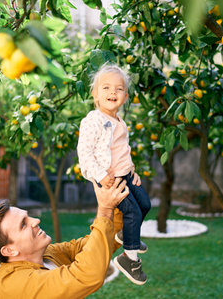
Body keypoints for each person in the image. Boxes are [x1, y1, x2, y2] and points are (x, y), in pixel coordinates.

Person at [0, 178, 128, 299]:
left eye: (28, 217)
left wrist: (118, 197)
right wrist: (105, 208)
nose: (36, 221)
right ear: (9, 250)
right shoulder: (11, 285)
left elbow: (92, 246)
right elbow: (87, 275)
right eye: (23, 225)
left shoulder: (48, 255)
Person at [77, 64, 151, 285]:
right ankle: (129, 260)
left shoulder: (121, 122)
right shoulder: (93, 120)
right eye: (106, 87)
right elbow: (85, 152)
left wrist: (132, 170)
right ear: (95, 94)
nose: (112, 93)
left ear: (125, 97)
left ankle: (126, 236)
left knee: (145, 205)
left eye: (119, 89)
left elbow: (121, 152)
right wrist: (100, 175)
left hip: (125, 175)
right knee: (133, 213)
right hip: (110, 180)